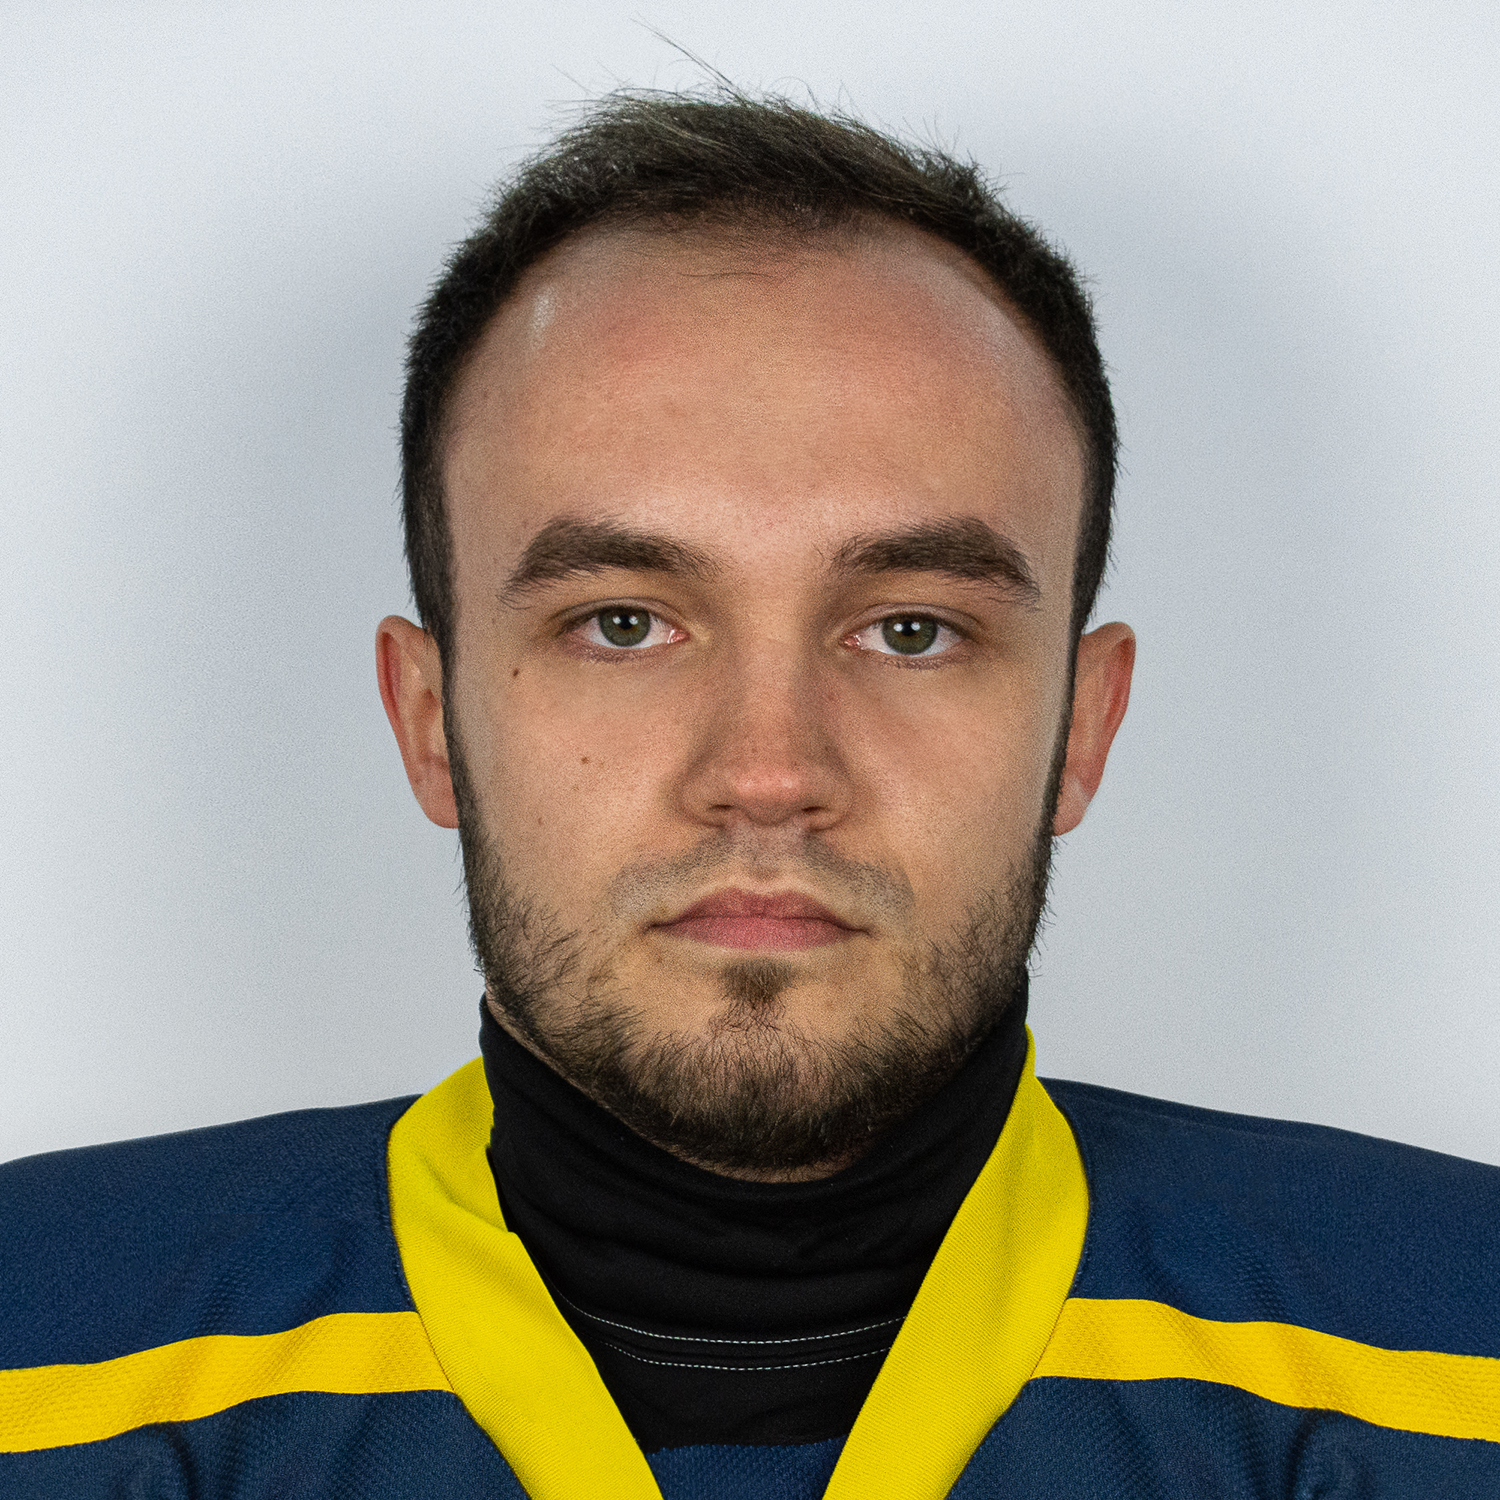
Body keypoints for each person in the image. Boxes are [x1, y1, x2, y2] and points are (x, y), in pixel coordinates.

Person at [2, 89, 1496, 1500]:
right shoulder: (39, 1348)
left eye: (910, 630)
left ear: (1081, 727)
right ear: (431, 721)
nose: (770, 777)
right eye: (622, 623)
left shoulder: (1459, 1347)